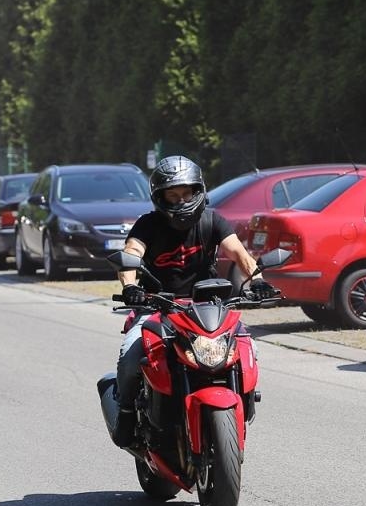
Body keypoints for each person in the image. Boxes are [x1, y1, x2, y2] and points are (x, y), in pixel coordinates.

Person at [109, 155, 278, 446]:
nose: (181, 201)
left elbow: (239, 253)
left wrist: (258, 281)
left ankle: (244, 398)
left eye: (186, 193)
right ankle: (125, 413)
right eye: (173, 196)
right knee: (131, 354)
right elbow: (132, 253)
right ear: (160, 197)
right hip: (157, 305)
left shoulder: (212, 221)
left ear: (198, 191)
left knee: (247, 346)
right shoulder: (147, 225)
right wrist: (130, 287)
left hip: (207, 306)